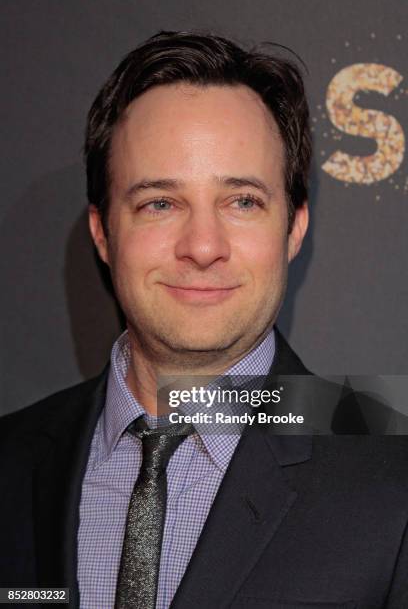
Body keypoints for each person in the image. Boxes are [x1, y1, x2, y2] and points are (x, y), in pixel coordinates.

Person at [1, 30, 408, 609]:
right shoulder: (12, 460)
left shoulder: (393, 473)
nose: (202, 246)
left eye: (242, 201)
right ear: (103, 233)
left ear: (293, 229)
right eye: (159, 203)